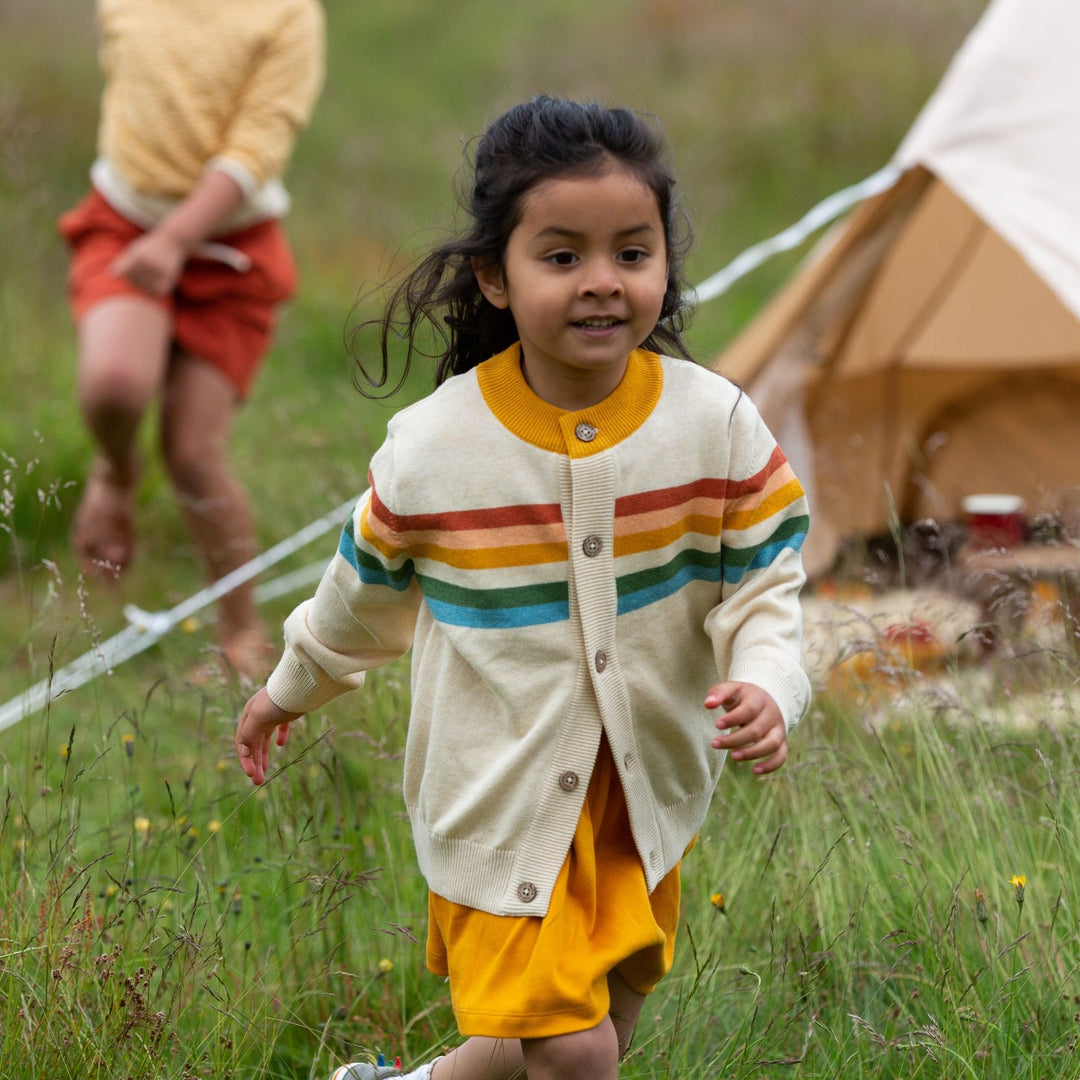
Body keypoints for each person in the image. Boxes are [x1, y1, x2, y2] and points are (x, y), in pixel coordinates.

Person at [236, 96, 811, 1080]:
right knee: (579, 1057)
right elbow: (358, 597)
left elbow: (765, 579)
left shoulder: (712, 424)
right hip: (498, 801)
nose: (602, 283)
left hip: (644, 798)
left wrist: (770, 683)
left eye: (633, 253)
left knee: (591, 1036)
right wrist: (289, 686)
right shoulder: (435, 449)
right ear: (493, 279)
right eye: (562, 257)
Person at [59, 0, 325, 678]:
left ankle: (242, 635)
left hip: (229, 245)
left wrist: (179, 238)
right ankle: (115, 472)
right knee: (116, 386)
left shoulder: (288, 16)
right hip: (126, 222)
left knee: (192, 452)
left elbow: (259, 145)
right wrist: (155, 232)